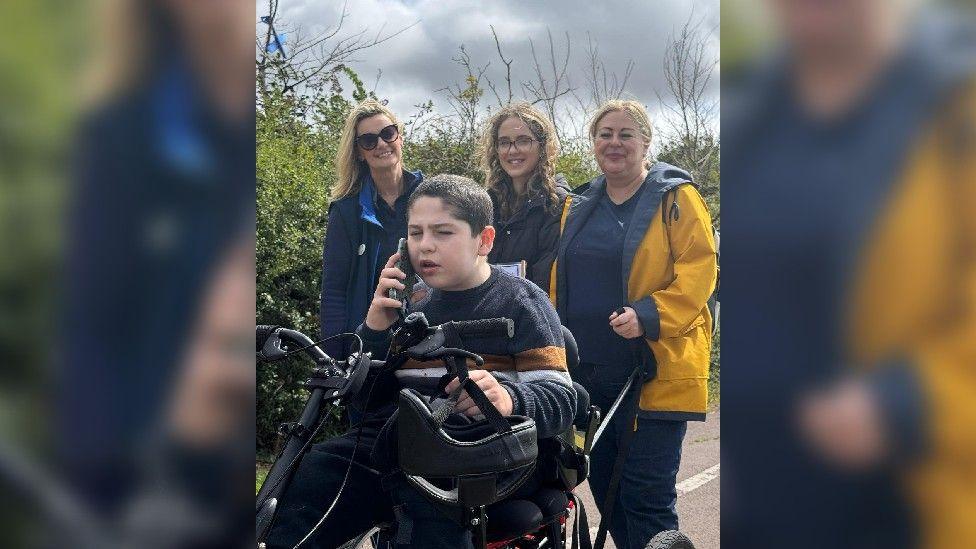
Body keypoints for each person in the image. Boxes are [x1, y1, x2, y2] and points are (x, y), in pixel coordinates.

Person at [723, 3, 976, 548]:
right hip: (764, 490)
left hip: (907, 495)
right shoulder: (754, 114)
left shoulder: (956, 103)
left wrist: (905, 401)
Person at [267, 174, 577, 549]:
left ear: (484, 239)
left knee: (430, 489)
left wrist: (508, 397)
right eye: (415, 233)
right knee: (317, 469)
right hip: (403, 447)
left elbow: (562, 399)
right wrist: (375, 330)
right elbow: (367, 408)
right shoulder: (411, 308)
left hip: (487, 452)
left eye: (443, 232)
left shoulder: (522, 301)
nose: (425, 246)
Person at [549, 100, 717, 548]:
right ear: (593, 143)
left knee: (646, 498)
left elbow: (700, 269)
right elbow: (558, 280)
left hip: (651, 372)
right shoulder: (580, 203)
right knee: (607, 493)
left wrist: (648, 314)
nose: (614, 143)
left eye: (626, 134)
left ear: (646, 142)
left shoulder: (676, 198)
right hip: (590, 375)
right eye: (605, 134)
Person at [319, 99, 423, 360]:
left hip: (426, 336)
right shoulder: (346, 212)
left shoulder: (433, 198)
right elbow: (334, 292)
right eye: (368, 140)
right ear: (358, 152)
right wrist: (334, 360)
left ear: (400, 137)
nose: (381, 144)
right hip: (368, 343)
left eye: (388, 133)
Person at [478, 102, 572, 290]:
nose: (513, 150)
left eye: (523, 141)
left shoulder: (558, 205)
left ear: (542, 146)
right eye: (504, 142)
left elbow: (549, 281)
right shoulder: (485, 204)